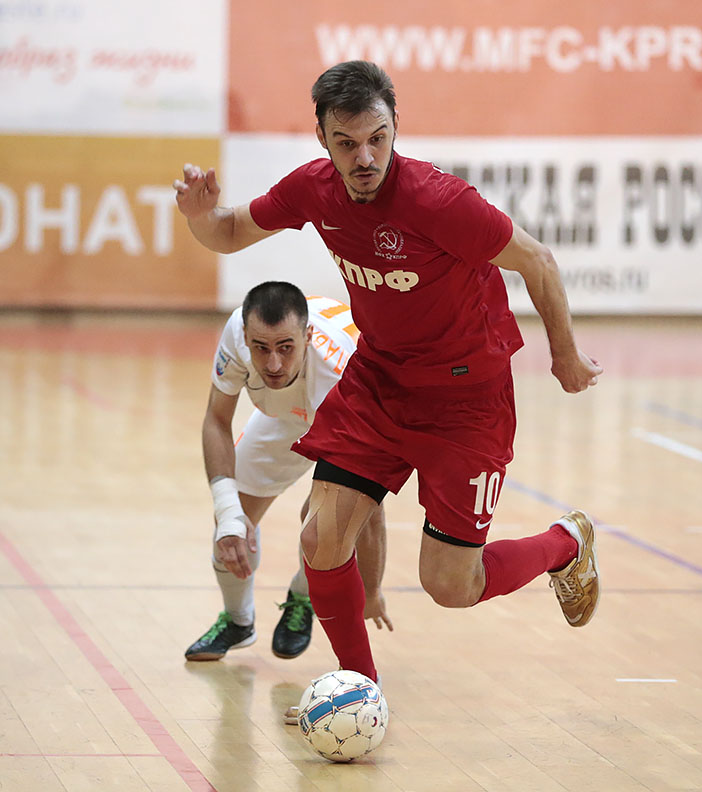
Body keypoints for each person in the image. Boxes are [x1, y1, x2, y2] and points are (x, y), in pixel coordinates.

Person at [174, 60, 602, 685]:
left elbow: (537, 260)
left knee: (451, 585)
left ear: (396, 125)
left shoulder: (439, 200)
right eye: (346, 143)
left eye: (377, 138)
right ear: (323, 139)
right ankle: (359, 689)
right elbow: (231, 229)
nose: (365, 157)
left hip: (466, 399)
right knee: (320, 539)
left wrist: (565, 356)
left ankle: (566, 542)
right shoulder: (315, 188)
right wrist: (199, 217)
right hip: (380, 381)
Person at [185, 280, 392, 662]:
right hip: (285, 415)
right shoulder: (237, 332)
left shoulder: (346, 377)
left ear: (307, 337)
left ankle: (302, 596)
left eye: (285, 348)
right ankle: (238, 621)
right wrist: (228, 512)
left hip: (344, 413)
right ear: (245, 335)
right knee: (232, 520)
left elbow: (371, 512)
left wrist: (372, 590)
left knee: (326, 524)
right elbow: (216, 419)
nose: (273, 365)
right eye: (261, 349)